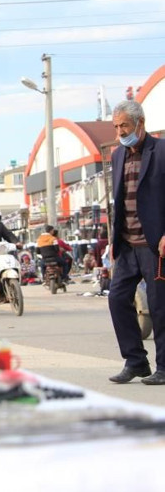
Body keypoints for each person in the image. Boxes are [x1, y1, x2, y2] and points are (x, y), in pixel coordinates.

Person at [106, 100, 165, 385]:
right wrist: (112, 241)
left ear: (140, 123)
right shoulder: (117, 156)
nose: (120, 131)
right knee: (117, 299)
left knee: (159, 305)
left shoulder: (162, 151)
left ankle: (164, 366)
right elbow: (118, 202)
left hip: (155, 245)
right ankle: (136, 361)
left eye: (124, 126)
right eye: (116, 126)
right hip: (127, 244)